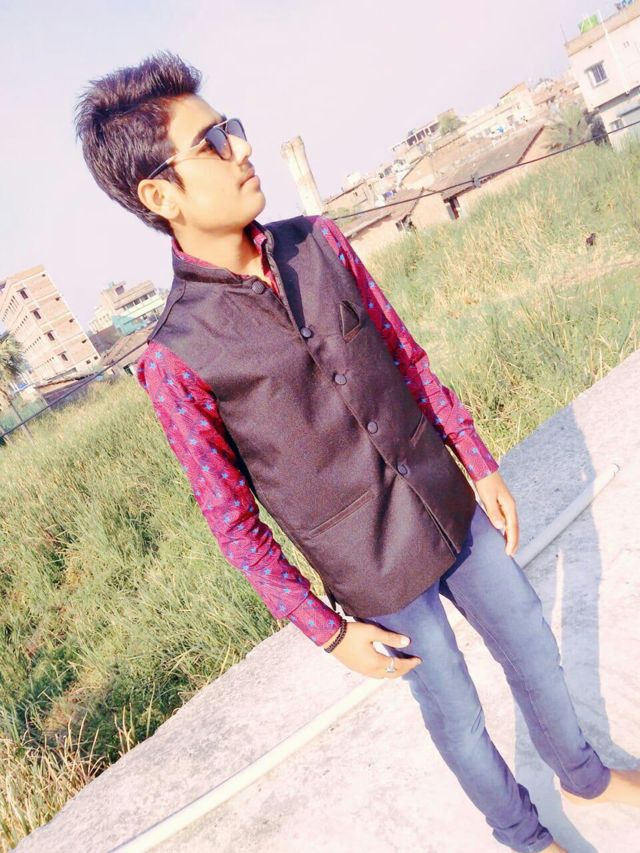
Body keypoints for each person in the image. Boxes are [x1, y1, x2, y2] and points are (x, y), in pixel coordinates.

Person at [74, 50, 639, 853]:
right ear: (160, 194)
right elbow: (234, 524)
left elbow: (405, 357)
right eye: (213, 144)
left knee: (529, 639)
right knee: (457, 714)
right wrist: (327, 629)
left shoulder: (321, 244)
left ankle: (584, 774)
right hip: (372, 570)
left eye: (232, 129)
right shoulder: (176, 358)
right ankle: (526, 836)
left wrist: (474, 456)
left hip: (446, 501)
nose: (242, 149)